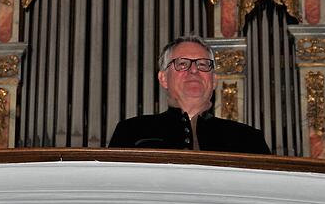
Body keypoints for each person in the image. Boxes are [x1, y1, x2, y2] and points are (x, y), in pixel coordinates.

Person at [108, 36, 271, 154]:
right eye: (182, 64)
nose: (193, 71)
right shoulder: (130, 132)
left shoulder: (249, 140)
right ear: (163, 78)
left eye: (202, 64)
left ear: (214, 81)